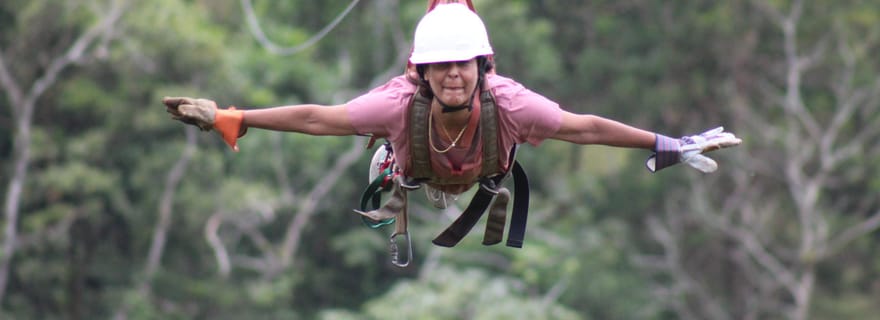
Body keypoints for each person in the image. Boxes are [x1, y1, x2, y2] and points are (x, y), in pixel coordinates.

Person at [163, 3, 741, 257]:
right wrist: (233, 118)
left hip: (482, 172)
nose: (453, 75)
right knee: (394, 150)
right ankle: (392, 165)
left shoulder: (511, 105)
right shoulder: (397, 105)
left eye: (462, 64)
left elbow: (584, 129)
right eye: (441, 66)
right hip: (416, 170)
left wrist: (669, 144)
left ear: (482, 66)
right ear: (422, 72)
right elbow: (320, 117)